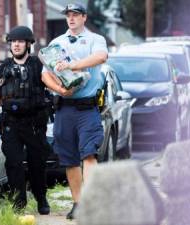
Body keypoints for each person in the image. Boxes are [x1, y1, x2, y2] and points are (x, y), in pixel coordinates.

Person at [41, 2, 108, 220]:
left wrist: (72, 65)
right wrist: (59, 89)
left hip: (87, 107)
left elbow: (100, 57)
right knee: (69, 159)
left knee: (88, 154)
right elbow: (45, 74)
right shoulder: (56, 43)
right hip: (64, 108)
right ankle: (78, 203)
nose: (71, 18)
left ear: (84, 18)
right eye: (68, 15)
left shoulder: (95, 40)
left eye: (76, 15)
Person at [0, 26, 51, 215]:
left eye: (20, 41)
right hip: (11, 123)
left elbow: (52, 84)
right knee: (13, 163)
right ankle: (18, 201)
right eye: (13, 41)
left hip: (34, 123)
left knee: (36, 163)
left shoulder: (38, 66)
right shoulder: (3, 68)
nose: (16, 44)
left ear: (28, 44)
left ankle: (41, 198)